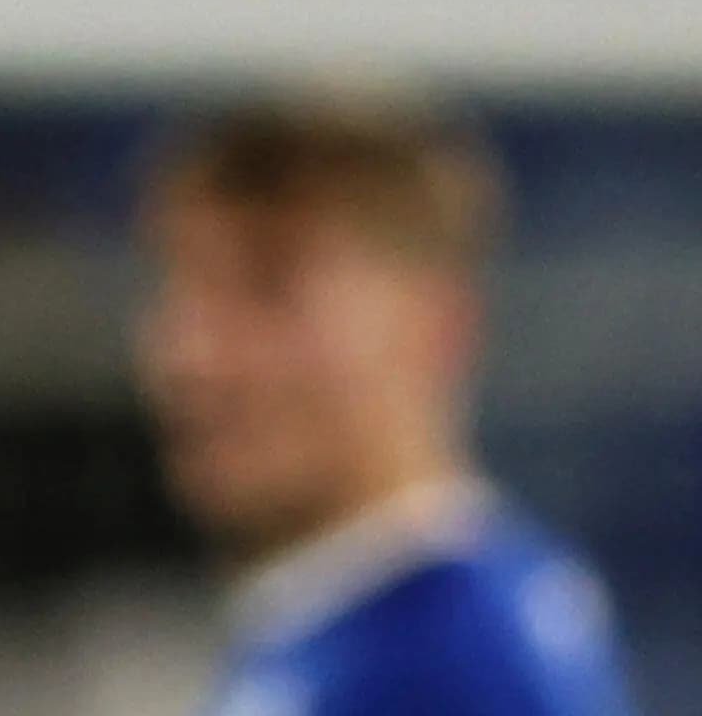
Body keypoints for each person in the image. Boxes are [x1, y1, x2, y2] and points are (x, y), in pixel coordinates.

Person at [135, 101, 637, 716]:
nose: (192, 356)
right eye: (183, 287)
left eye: (268, 292)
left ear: (436, 328)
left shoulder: (458, 667)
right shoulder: (335, 632)